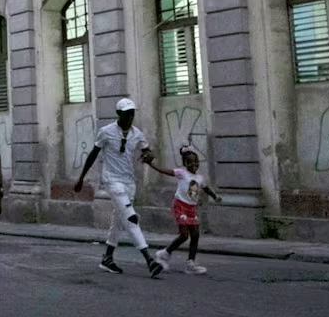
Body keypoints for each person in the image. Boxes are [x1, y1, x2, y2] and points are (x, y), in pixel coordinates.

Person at [73, 98, 163, 277]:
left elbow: (147, 150)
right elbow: (93, 154)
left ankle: (107, 258)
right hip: (112, 181)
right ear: (118, 114)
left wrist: (148, 155)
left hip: (129, 182)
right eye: (126, 114)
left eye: (132, 114)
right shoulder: (106, 132)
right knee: (131, 217)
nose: (130, 117)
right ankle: (149, 260)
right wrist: (81, 178)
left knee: (119, 220)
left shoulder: (137, 134)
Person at [146, 143, 221, 274]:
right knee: (184, 235)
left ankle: (190, 263)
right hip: (180, 206)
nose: (194, 165)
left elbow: (205, 188)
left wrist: (215, 196)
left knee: (195, 235)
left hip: (191, 208)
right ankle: (164, 253)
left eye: (196, 162)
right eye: (190, 162)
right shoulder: (182, 173)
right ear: (185, 164)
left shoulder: (199, 178)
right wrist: (151, 164)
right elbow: (165, 171)